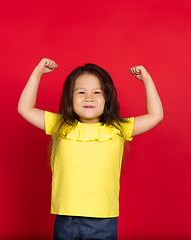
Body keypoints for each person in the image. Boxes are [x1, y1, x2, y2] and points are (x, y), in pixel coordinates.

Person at [18, 58, 163, 240]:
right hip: (66, 217)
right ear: (69, 98)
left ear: (107, 98)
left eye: (97, 92)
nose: (89, 98)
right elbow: (25, 108)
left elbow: (156, 115)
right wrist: (37, 73)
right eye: (81, 92)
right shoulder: (59, 125)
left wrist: (147, 80)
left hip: (103, 220)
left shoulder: (118, 129)